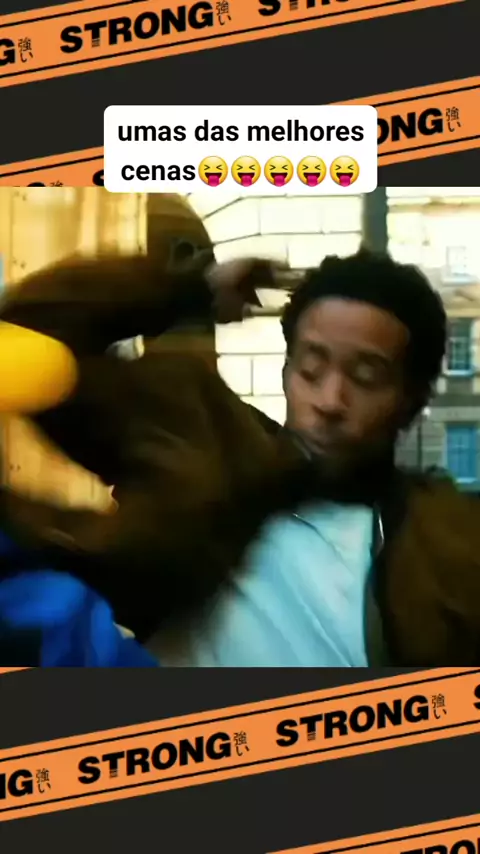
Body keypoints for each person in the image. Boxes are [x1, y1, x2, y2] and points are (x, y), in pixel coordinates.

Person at [1, 250, 479, 666]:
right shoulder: (200, 438)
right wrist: (192, 289)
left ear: (412, 401)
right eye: (311, 369)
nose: (330, 400)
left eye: (366, 377)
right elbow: (28, 334)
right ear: (286, 369)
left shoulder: (445, 546)